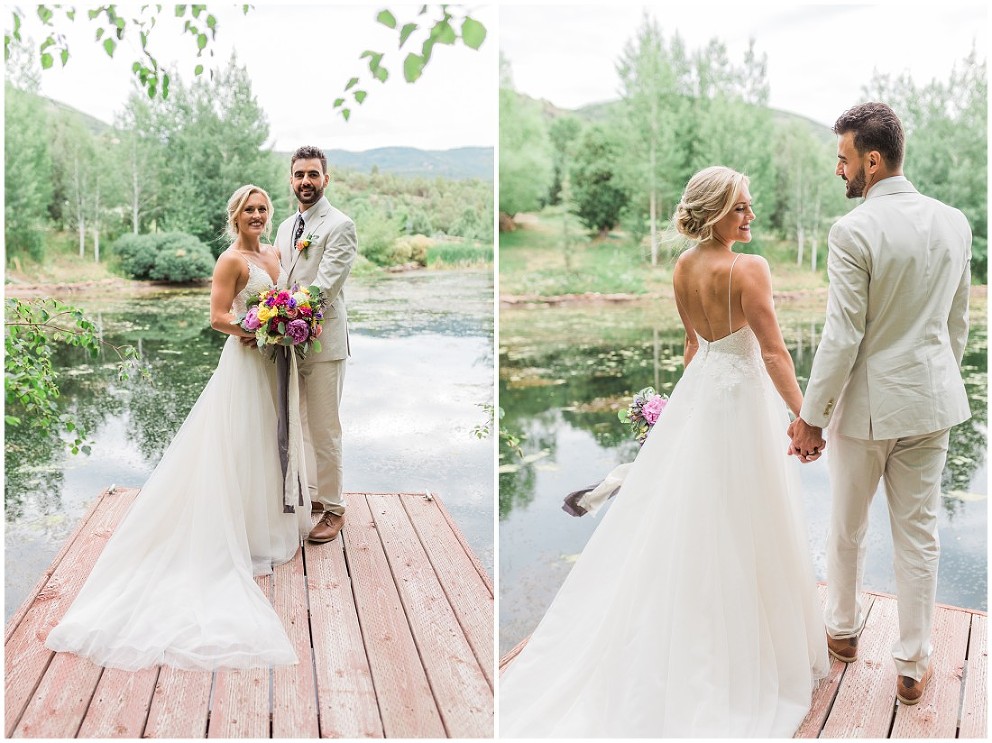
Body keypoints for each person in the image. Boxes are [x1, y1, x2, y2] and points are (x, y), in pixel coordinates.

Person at [499, 166, 828, 738]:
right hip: (744, 405)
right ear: (714, 212)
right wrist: (803, 418)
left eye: (749, 206)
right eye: (740, 208)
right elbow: (774, 354)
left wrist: (689, 413)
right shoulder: (749, 269)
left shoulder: (682, 267)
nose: (751, 216)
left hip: (702, 399)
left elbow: (692, 348)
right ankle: (743, 653)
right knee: (750, 519)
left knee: (692, 520)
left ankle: (685, 627)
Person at [44, 185, 312, 670]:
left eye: (262, 209)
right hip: (246, 362)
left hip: (277, 362)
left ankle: (268, 522)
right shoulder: (230, 261)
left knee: (272, 439)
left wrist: (286, 321)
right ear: (235, 216)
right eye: (248, 209)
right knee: (241, 441)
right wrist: (256, 329)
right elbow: (217, 318)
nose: (256, 215)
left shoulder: (276, 252)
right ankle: (239, 533)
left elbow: (286, 298)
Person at [789, 102, 972, 705]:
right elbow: (957, 327)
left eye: (843, 160)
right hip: (933, 403)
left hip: (868, 411)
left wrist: (811, 418)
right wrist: (937, 380)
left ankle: (842, 633)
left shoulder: (853, 231)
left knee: (846, 527)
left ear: (872, 159)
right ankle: (914, 666)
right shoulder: (955, 222)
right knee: (919, 535)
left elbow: (842, 337)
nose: (839, 171)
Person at [275, 146, 357, 544]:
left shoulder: (340, 225)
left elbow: (324, 287)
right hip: (287, 343)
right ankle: (310, 498)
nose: (305, 181)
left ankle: (334, 507)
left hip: (323, 343)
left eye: (312, 174)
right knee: (297, 421)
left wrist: (281, 315)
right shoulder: (285, 225)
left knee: (325, 427)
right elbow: (281, 277)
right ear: (291, 180)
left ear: (326, 179)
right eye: (299, 175)